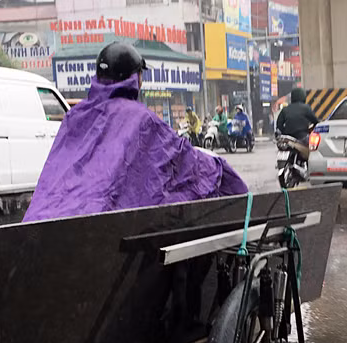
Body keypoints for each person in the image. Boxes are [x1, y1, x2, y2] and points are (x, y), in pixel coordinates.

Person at [23, 43, 247, 222]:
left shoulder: (75, 116)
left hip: (43, 222)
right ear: (134, 77)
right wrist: (219, 169)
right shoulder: (141, 119)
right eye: (140, 74)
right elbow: (184, 162)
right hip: (100, 231)